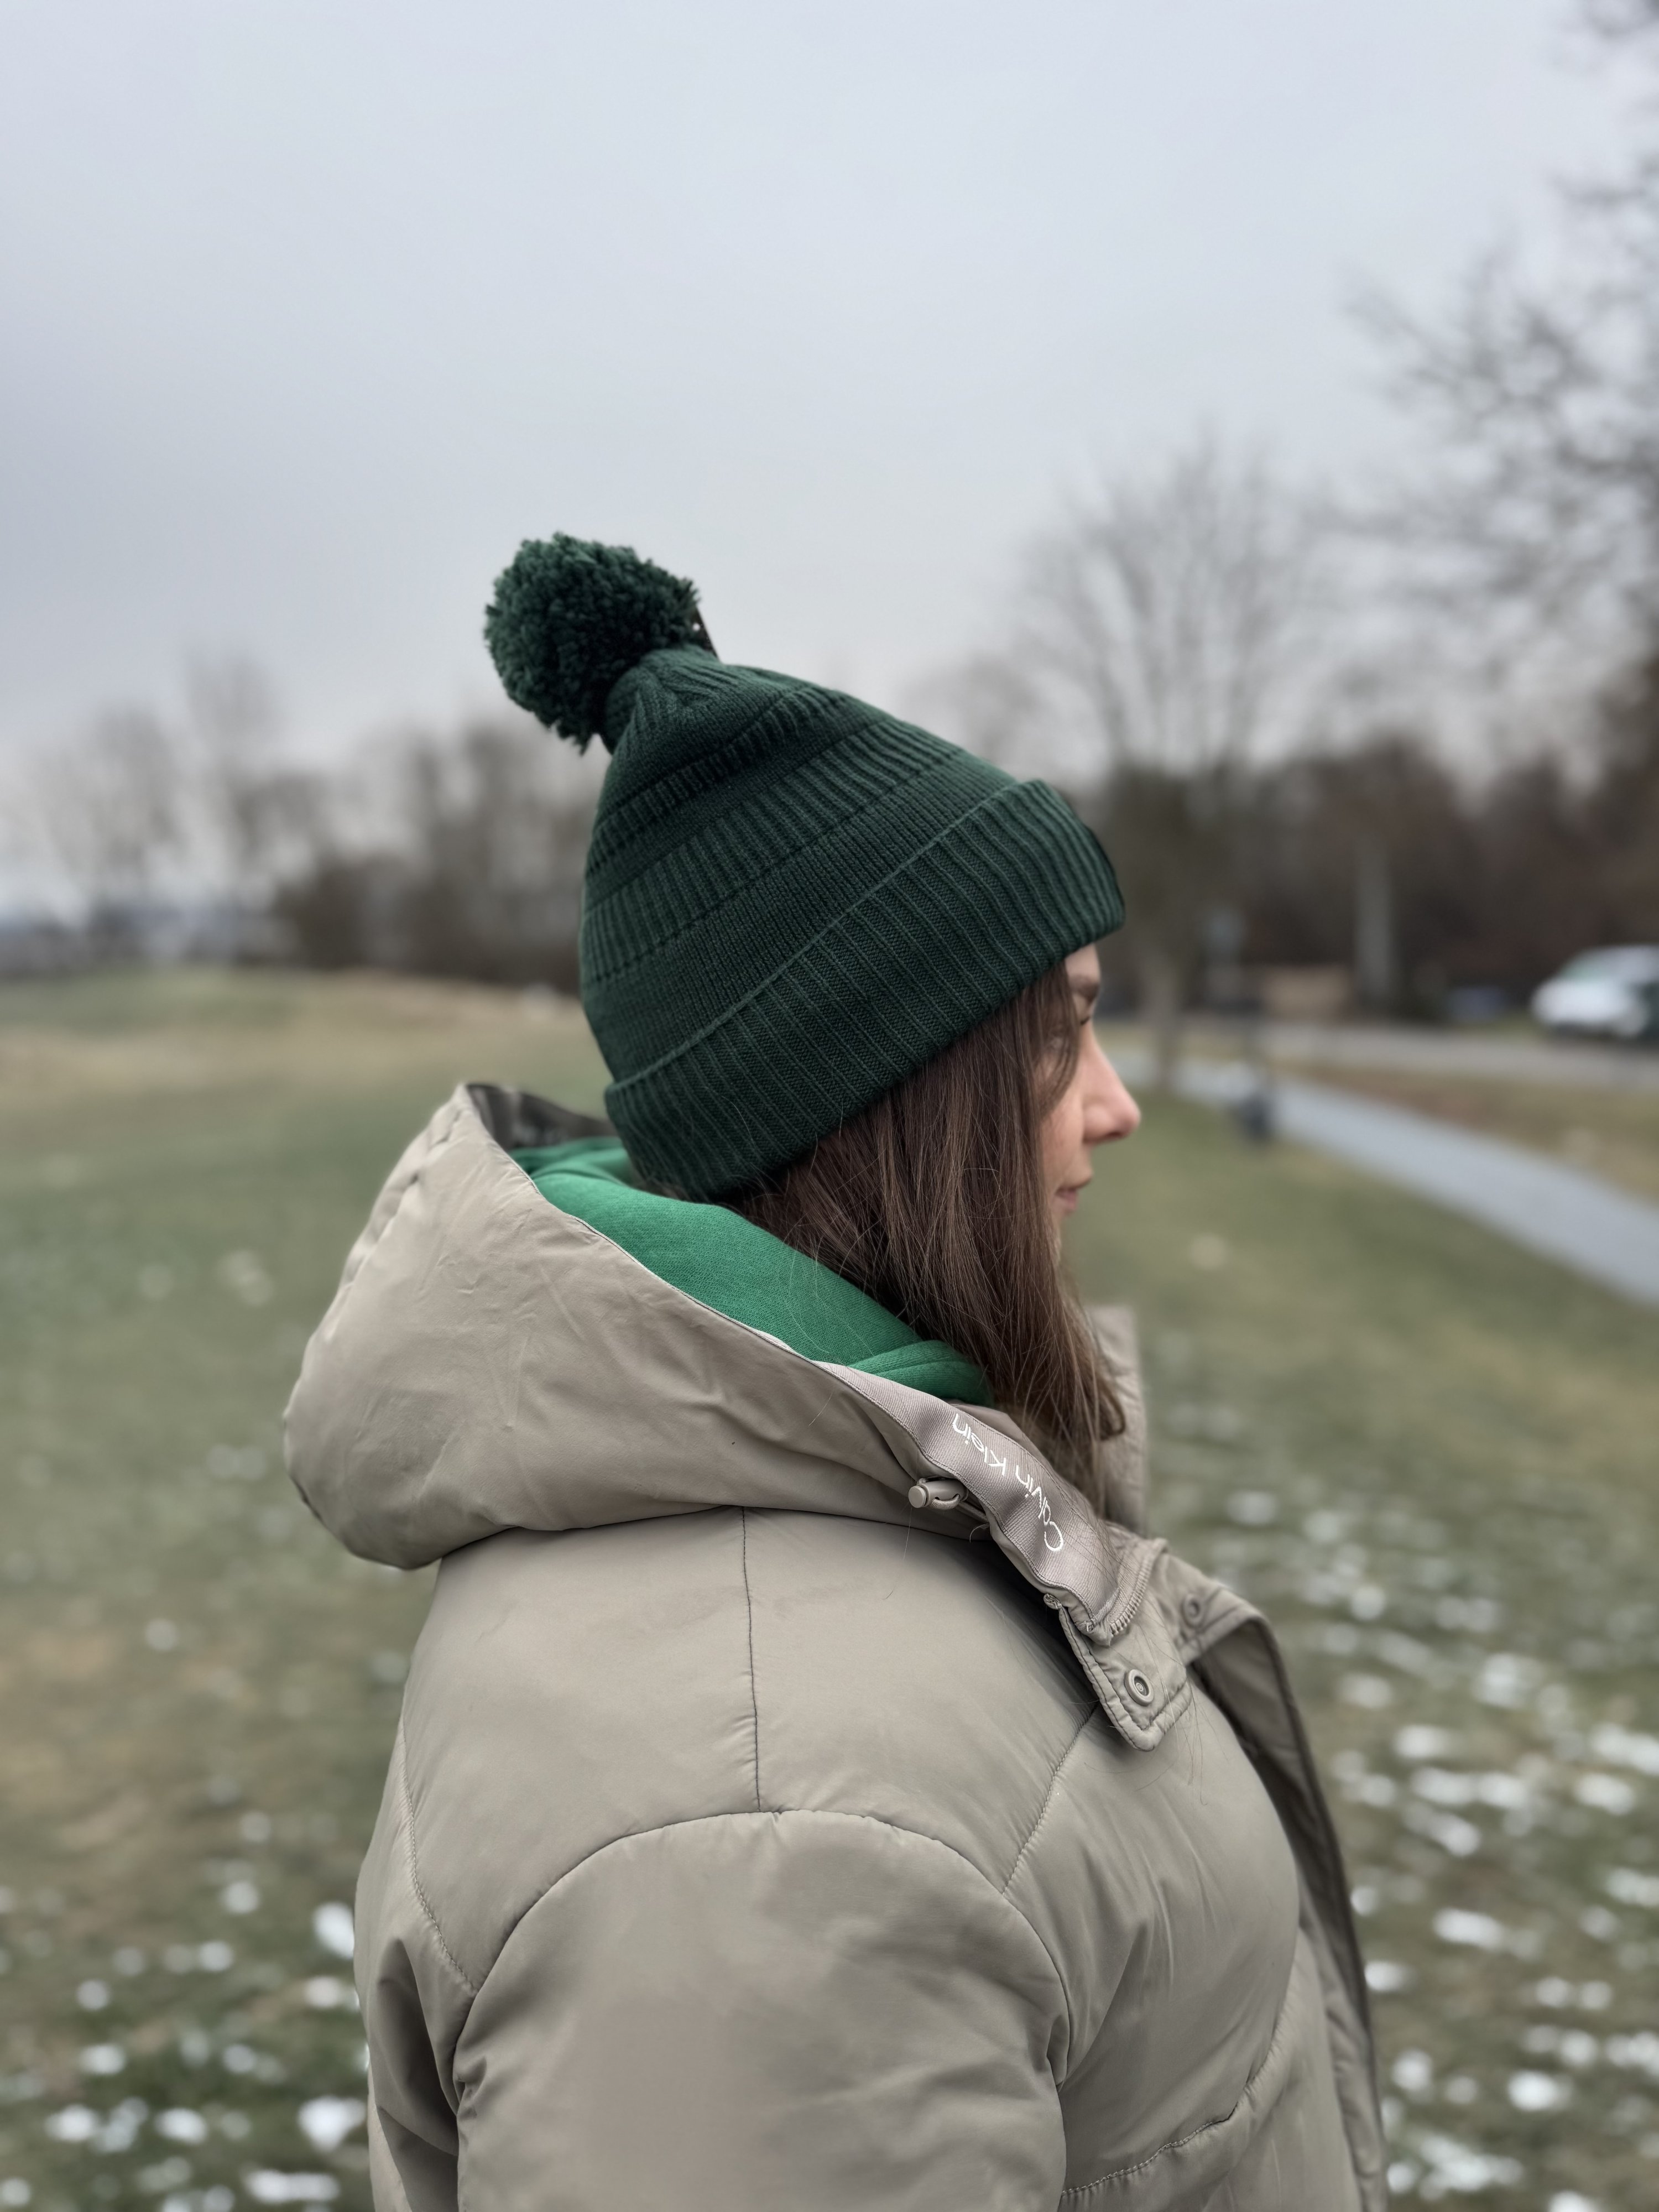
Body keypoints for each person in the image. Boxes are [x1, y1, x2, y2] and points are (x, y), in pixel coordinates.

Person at [285, 536, 1383, 2211]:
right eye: (1058, 1032)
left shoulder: (853, 1507)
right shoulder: (760, 1820)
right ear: (888, 1096)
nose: (1115, 1106)